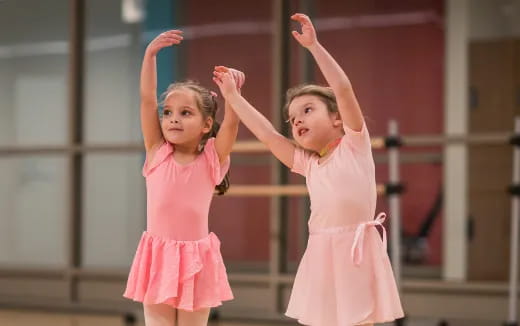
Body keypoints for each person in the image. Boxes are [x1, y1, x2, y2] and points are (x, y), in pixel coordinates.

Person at [212, 14, 404, 326]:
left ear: (337, 119)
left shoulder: (355, 144)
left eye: (307, 110)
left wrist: (314, 47)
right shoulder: (309, 163)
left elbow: (342, 89)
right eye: (293, 119)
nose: (297, 120)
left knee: (360, 322)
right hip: (321, 253)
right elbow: (269, 135)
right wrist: (233, 97)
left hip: (357, 253)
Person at [123, 30, 244, 326]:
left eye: (185, 112)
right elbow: (146, 99)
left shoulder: (211, 160)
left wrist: (233, 94)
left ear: (206, 124)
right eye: (168, 113)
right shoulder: (156, 151)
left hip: (197, 261)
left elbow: (231, 122)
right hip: (158, 257)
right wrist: (149, 56)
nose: (173, 118)